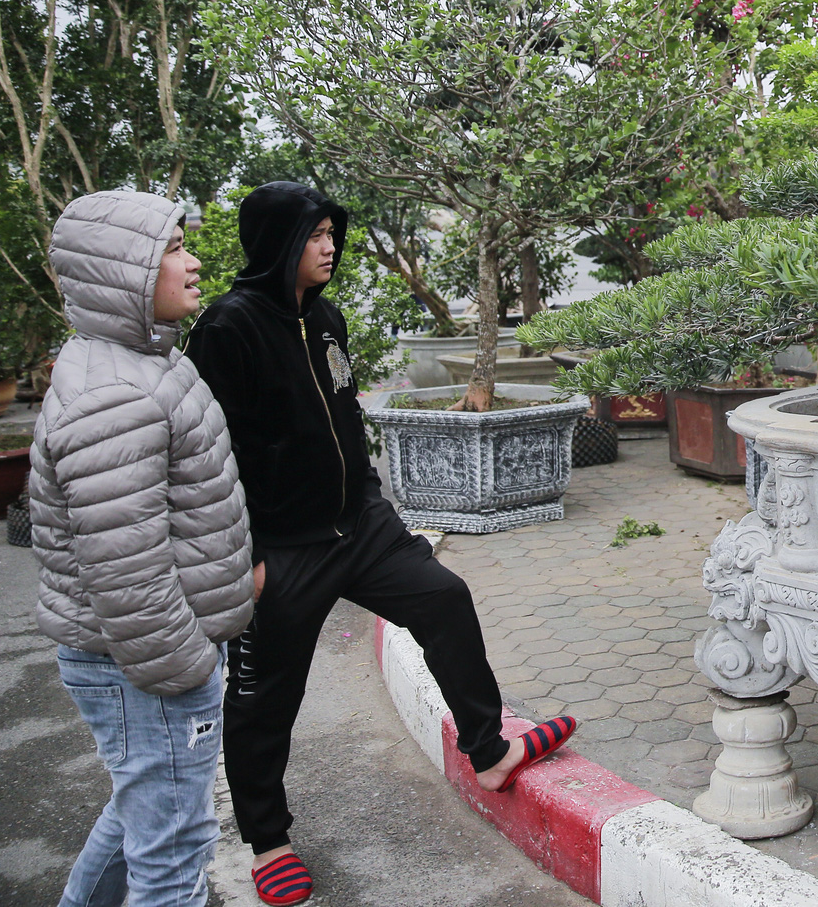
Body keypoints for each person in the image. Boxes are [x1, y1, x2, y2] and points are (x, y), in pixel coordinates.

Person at [185, 181, 574, 907]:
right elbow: (210, 459)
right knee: (268, 698)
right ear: (277, 242)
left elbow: (345, 419)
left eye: (332, 232)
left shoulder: (325, 317)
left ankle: (488, 751)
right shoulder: (225, 327)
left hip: (357, 527)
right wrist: (247, 563)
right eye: (314, 234)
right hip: (282, 550)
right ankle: (268, 838)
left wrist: (374, 507)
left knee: (444, 596)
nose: (330, 246)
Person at [29, 189, 256, 907]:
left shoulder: (137, 360)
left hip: (145, 661)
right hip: (148, 665)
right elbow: (125, 571)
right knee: (172, 858)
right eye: (172, 250)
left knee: (140, 819)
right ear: (118, 269)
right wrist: (187, 666)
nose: (194, 264)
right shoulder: (113, 396)